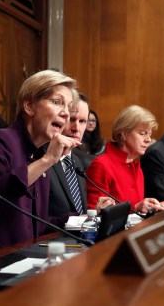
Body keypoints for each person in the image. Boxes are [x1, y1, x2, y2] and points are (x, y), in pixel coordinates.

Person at [0, 70, 81, 248]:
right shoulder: (0, 140)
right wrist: (46, 161)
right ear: (29, 106)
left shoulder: (40, 152)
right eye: (57, 102)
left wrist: (82, 219)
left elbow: (37, 224)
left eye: (68, 107)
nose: (66, 114)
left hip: (31, 255)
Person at [85, 105, 164, 213]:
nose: (148, 140)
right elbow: (94, 213)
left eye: (149, 134)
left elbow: (137, 210)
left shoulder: (136, 166)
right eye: (142, 133)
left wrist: (154, 208)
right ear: (124, 134)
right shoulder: (101, 165)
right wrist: (135, 208)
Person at [48, 93, 114, 222]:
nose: (77, 128)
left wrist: (95, 212)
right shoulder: (42, 159)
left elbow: (79, 213)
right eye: (72, 119)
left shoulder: (77, 162)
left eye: (83, 121)